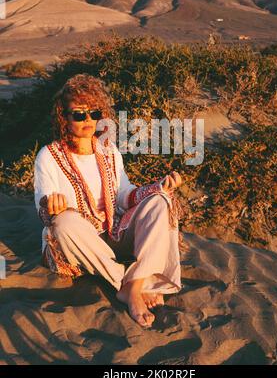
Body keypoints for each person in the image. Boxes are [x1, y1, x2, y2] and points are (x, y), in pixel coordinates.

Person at [34, 73, 183, 328]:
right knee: (63, 223)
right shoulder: (48, 156)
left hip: (113, 233)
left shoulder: (108, 150)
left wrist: (158, 187)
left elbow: (124, 194)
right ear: (63, 117)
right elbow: (43, 204)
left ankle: (133, 284)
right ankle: (131, 283)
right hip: (82, 242)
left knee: (160, 202)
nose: (88, 120)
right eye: (79, 114)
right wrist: (51, 203)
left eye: (93, 113)